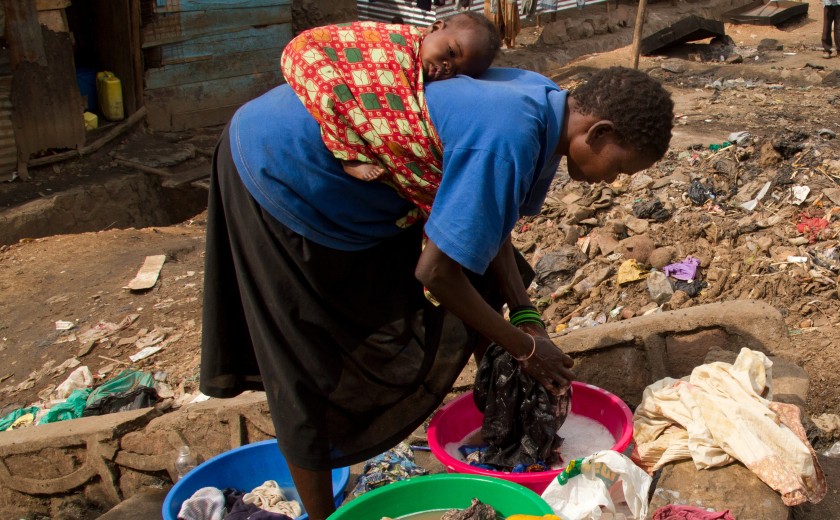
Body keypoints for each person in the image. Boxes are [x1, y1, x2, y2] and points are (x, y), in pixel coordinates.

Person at [201, 66, 674, 519]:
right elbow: (436, 274)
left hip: (364, 176)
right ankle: (326, 517)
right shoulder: (511, 134)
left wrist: (526, 317)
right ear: (598, 133)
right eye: (620, 168)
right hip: (280, 168)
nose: (614, 181)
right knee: (306, 360)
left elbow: (490, 228)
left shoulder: (547, 108)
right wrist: (525, 347)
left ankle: (502, 421)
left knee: (490, 280)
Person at [281, 13, 501, 184]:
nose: (446, 67)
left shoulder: (420, 67)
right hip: (308, 52)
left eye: (457, 72)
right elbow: (394, 114)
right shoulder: (396, 47)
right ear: (435, 28)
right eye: (452, 52)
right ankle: (349, 156)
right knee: (333, 95)